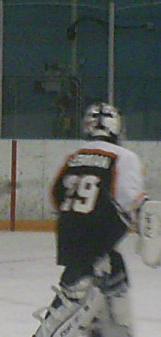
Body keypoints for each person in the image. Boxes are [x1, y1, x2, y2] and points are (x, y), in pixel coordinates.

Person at [31, 102, 148, 337]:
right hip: (96, 245)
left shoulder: (75, 156)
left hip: (69, 235)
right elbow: (131, 201)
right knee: (78, 296)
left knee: (116, 274)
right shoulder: (124, 157)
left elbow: (56, 196)